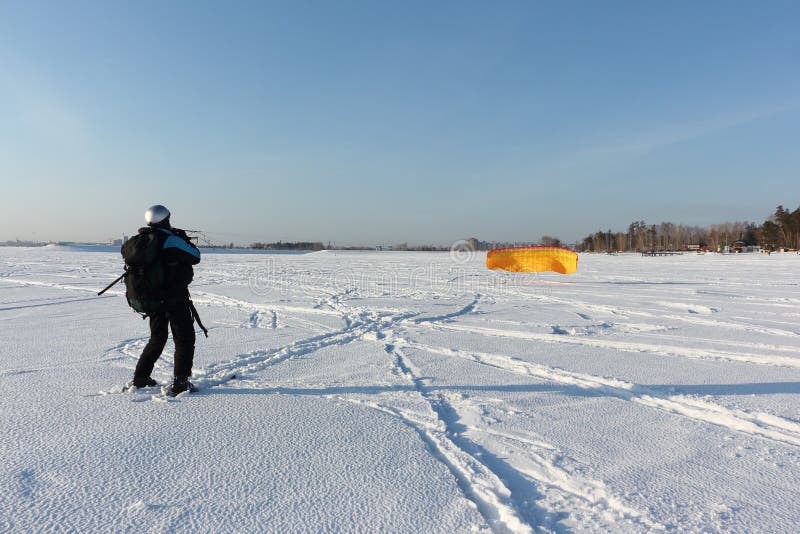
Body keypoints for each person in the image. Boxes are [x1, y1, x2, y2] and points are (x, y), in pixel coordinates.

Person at [128, 205, 202, 396]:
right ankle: (180, 382)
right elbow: (196, 256)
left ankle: (140, 378)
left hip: (152, 298)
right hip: (174, 297)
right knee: (184, 338)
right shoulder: (171, 240)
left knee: (157, 338)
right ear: (166, 219)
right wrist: (181, 238)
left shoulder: (141, 242)